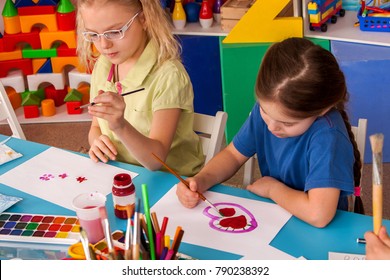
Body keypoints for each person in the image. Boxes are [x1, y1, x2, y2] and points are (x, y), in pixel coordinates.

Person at [176, 37, 361, 228]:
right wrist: (201, 180)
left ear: (321, 110)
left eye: (287, 123)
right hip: (277, 217)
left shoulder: (327, 137)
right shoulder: (268, 110)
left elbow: (319, 215)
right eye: (265, 112)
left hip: (319, 231)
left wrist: (273, 189)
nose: (272, 127)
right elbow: (232, 155)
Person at [76, 0, 204, 176]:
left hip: (174, 182)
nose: (104, 45)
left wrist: (119, 125)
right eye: (93, 34)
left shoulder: (169, 76)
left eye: (115, 32)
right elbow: (96, 127)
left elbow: (155, 161)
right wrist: (97, 141)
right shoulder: (103, 66)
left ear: (144, 19)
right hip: (123, 173)